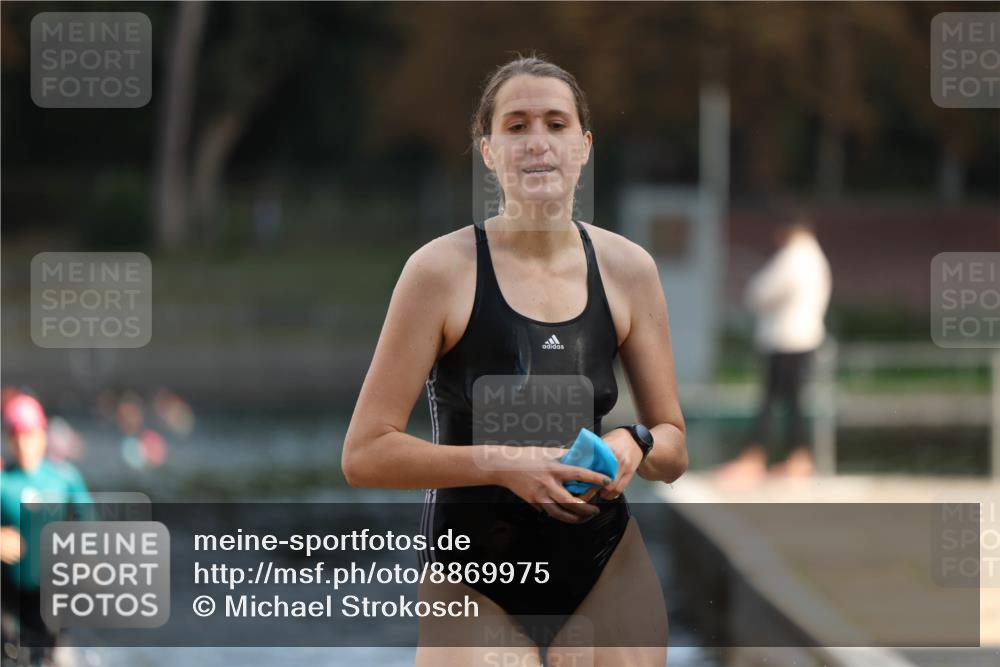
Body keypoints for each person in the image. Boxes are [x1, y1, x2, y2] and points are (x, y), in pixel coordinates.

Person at [342, 56, 687, 665]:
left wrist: (635, 443)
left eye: (556, 125)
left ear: (583, 146)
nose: (538, 144)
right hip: (472, 577)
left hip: (605, 566)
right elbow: (365, 454)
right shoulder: (438, 272)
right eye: (517, 125)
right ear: (488, 150)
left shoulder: (629, 270)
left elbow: (674, 447)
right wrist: (505, 465)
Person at [715, 220, 832, 487]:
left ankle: (754, 458)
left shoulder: (796, 256)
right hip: (803, 337)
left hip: (787, 339)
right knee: (793, 402)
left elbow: (761, 291)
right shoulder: (815, 258)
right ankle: (798, 459)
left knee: (770, 402)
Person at [1, 393, 93, 666]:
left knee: (52, 656)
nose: (22, 441)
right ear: (8, 438)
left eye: (28, 433)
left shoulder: (64, 479)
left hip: (49, 593)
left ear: (42, 434)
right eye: (15, 433)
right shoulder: (3, 481)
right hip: (7, 594)